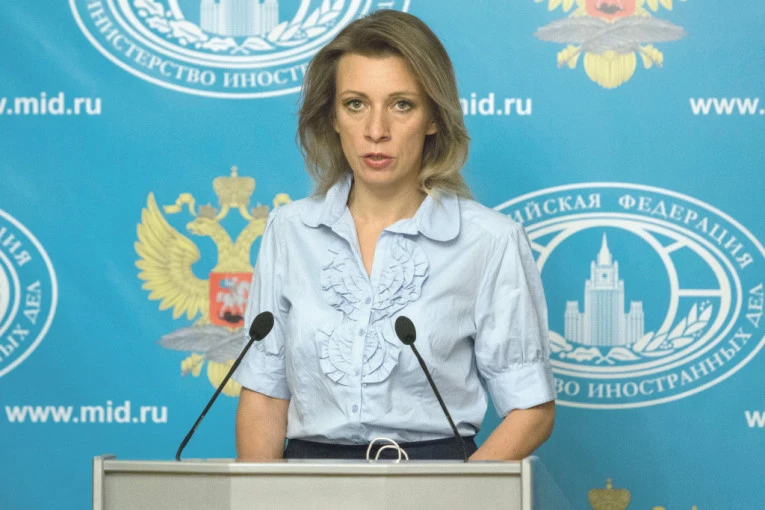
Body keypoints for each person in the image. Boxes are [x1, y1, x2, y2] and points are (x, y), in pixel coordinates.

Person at [234, 10, 555, 461]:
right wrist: (264, 495)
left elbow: (531, 409)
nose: (376, 131)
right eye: (355, 104)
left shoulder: (490, 240)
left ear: (433, 118)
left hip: (438, 478)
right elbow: (265, 396)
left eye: (401, 104)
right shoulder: (289, 230)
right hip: (306, 479)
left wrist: (460, 491)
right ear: (332, 117)